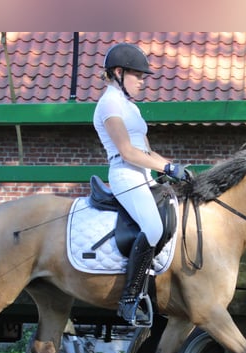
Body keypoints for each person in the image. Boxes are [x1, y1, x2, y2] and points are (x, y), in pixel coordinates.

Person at [93, 42, 191, 326]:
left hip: (142, 174)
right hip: (124, 173)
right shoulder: (109, 103)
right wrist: (167, 167)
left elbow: (147, 152)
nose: (142, 81)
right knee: (153, 227)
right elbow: (128, 151)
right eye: (138, 75)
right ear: (119, 73)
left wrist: (174, 169)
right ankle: (129, 299)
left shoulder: (130, 107)